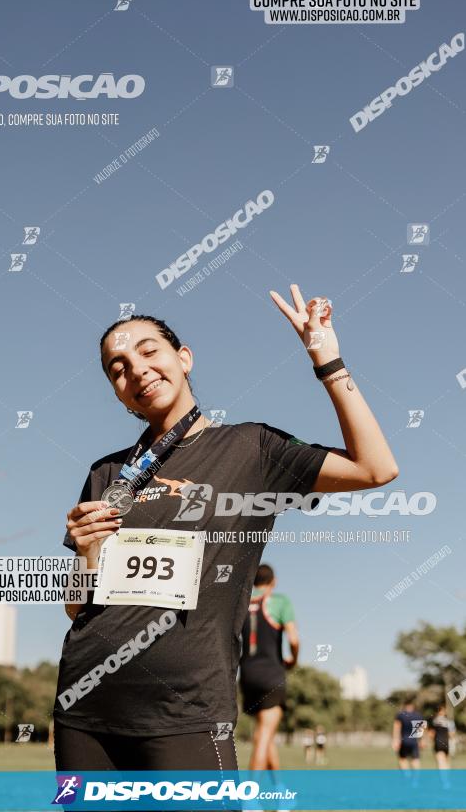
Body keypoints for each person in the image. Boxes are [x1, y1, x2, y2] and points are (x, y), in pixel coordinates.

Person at [54, 287, 399, 773]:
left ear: (184, 357)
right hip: (87, 705)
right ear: (117, 391)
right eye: (118, 368)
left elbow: (375, 468)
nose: (136, 370)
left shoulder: (251, 449)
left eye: (149, 351)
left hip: (187, 709)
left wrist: (328, 362)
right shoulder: (107, 474)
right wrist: (88, 552)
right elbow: (77, 607)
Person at [238, 564, 298, 771]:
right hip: (271, 675)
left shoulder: (241, 602)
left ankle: (279, 791)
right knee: (263, 737)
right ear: (273, 582)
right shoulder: (280, 601)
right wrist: (294, 660)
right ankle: (250, 797)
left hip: (246, 675)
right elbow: (294, 639)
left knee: (265, 734)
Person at [392, 697, 425, 769]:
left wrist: (395, 740)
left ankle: (406, 775)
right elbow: (421, 730)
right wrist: (421, 741)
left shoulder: (400, 715)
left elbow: (396, 728)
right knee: (415, 759)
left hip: (404, 741)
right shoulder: (418, 715)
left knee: (402, 759)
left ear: (405, 705)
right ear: (413, 705)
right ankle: (415, 779)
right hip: (414, 741)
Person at [429, 703, 455, 769]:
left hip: (438, 743)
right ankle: (447, 777)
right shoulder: (449, 721)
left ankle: (443, 778)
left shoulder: (434, 721)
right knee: (447, 761)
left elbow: (431, 734)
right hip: (447, 742)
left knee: (440, 761)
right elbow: (452, 734)